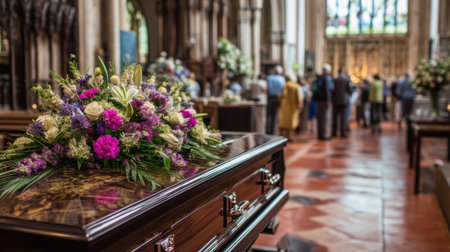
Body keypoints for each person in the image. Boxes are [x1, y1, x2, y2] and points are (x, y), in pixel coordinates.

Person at [278, 73, 303, 141]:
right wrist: (299, 105)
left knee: (284, 122)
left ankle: (283, 136)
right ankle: (290, 137)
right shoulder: (296, 86)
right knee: (292, 122)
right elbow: (299, 97)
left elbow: (282, 95)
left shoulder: (285, 85)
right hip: (293, 107)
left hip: (284, 107)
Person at [312, 64, 334, 140]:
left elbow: (314, 89)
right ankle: (324, 135)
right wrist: (328, 101)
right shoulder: (327, 78)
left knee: (320, 118)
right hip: (324, 101)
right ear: (328, 70)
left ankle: (320, 134)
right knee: (325, 118)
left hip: (318, 101)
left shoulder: (319, 78)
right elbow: (327, 90)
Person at [331, 67, 352, 137]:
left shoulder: (335, 79)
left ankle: (334, 132)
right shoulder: (346, 79)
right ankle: (342, 133)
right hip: (344, 101)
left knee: (335, 117)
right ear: (343, 71)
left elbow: (332, 90)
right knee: (343, 117)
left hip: (336, 100)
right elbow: (349, 90)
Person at [266, 65, 285, 135]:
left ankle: (267, 130)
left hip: (271, 97)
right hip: (278, 98)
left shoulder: (269, 77)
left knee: (268, 115)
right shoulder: (282, 79)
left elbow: (268, 89)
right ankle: (273, 131)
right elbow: (283, 89)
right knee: (275, 115)